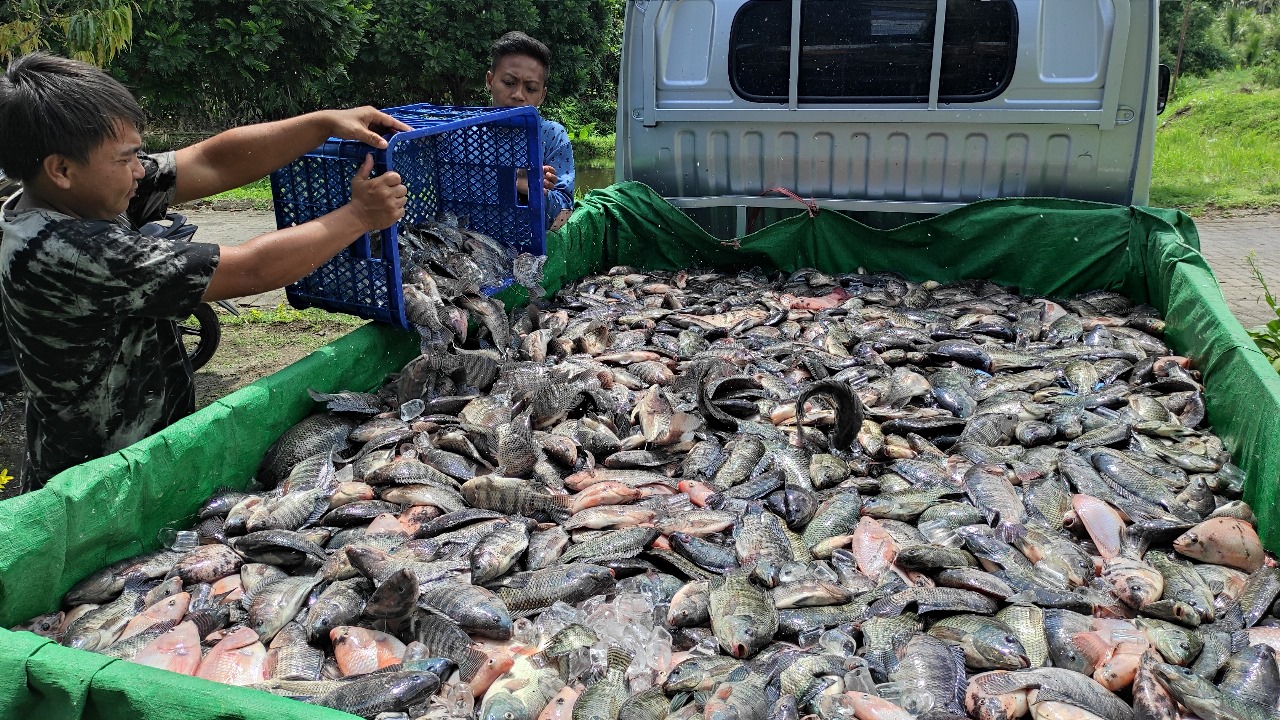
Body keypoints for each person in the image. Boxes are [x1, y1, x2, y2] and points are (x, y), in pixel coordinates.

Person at [0, 52, 410, 492]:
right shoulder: (70, 251)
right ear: (61, 168)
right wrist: (358, 217)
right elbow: (252, 269)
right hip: (99, 481)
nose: (140, 170)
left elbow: (211, 161)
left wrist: (323, 122)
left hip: (140, 453)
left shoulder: (68, 195)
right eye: (125, 160)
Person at [485, 31, 575, 231]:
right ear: (490, 81)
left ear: (542, 95)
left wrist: (530, 189)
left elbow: (564, 215)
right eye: (509, 83)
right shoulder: (463, 132)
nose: (518, 95)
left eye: (531, 88)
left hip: (526, 248)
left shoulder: (551, 136)